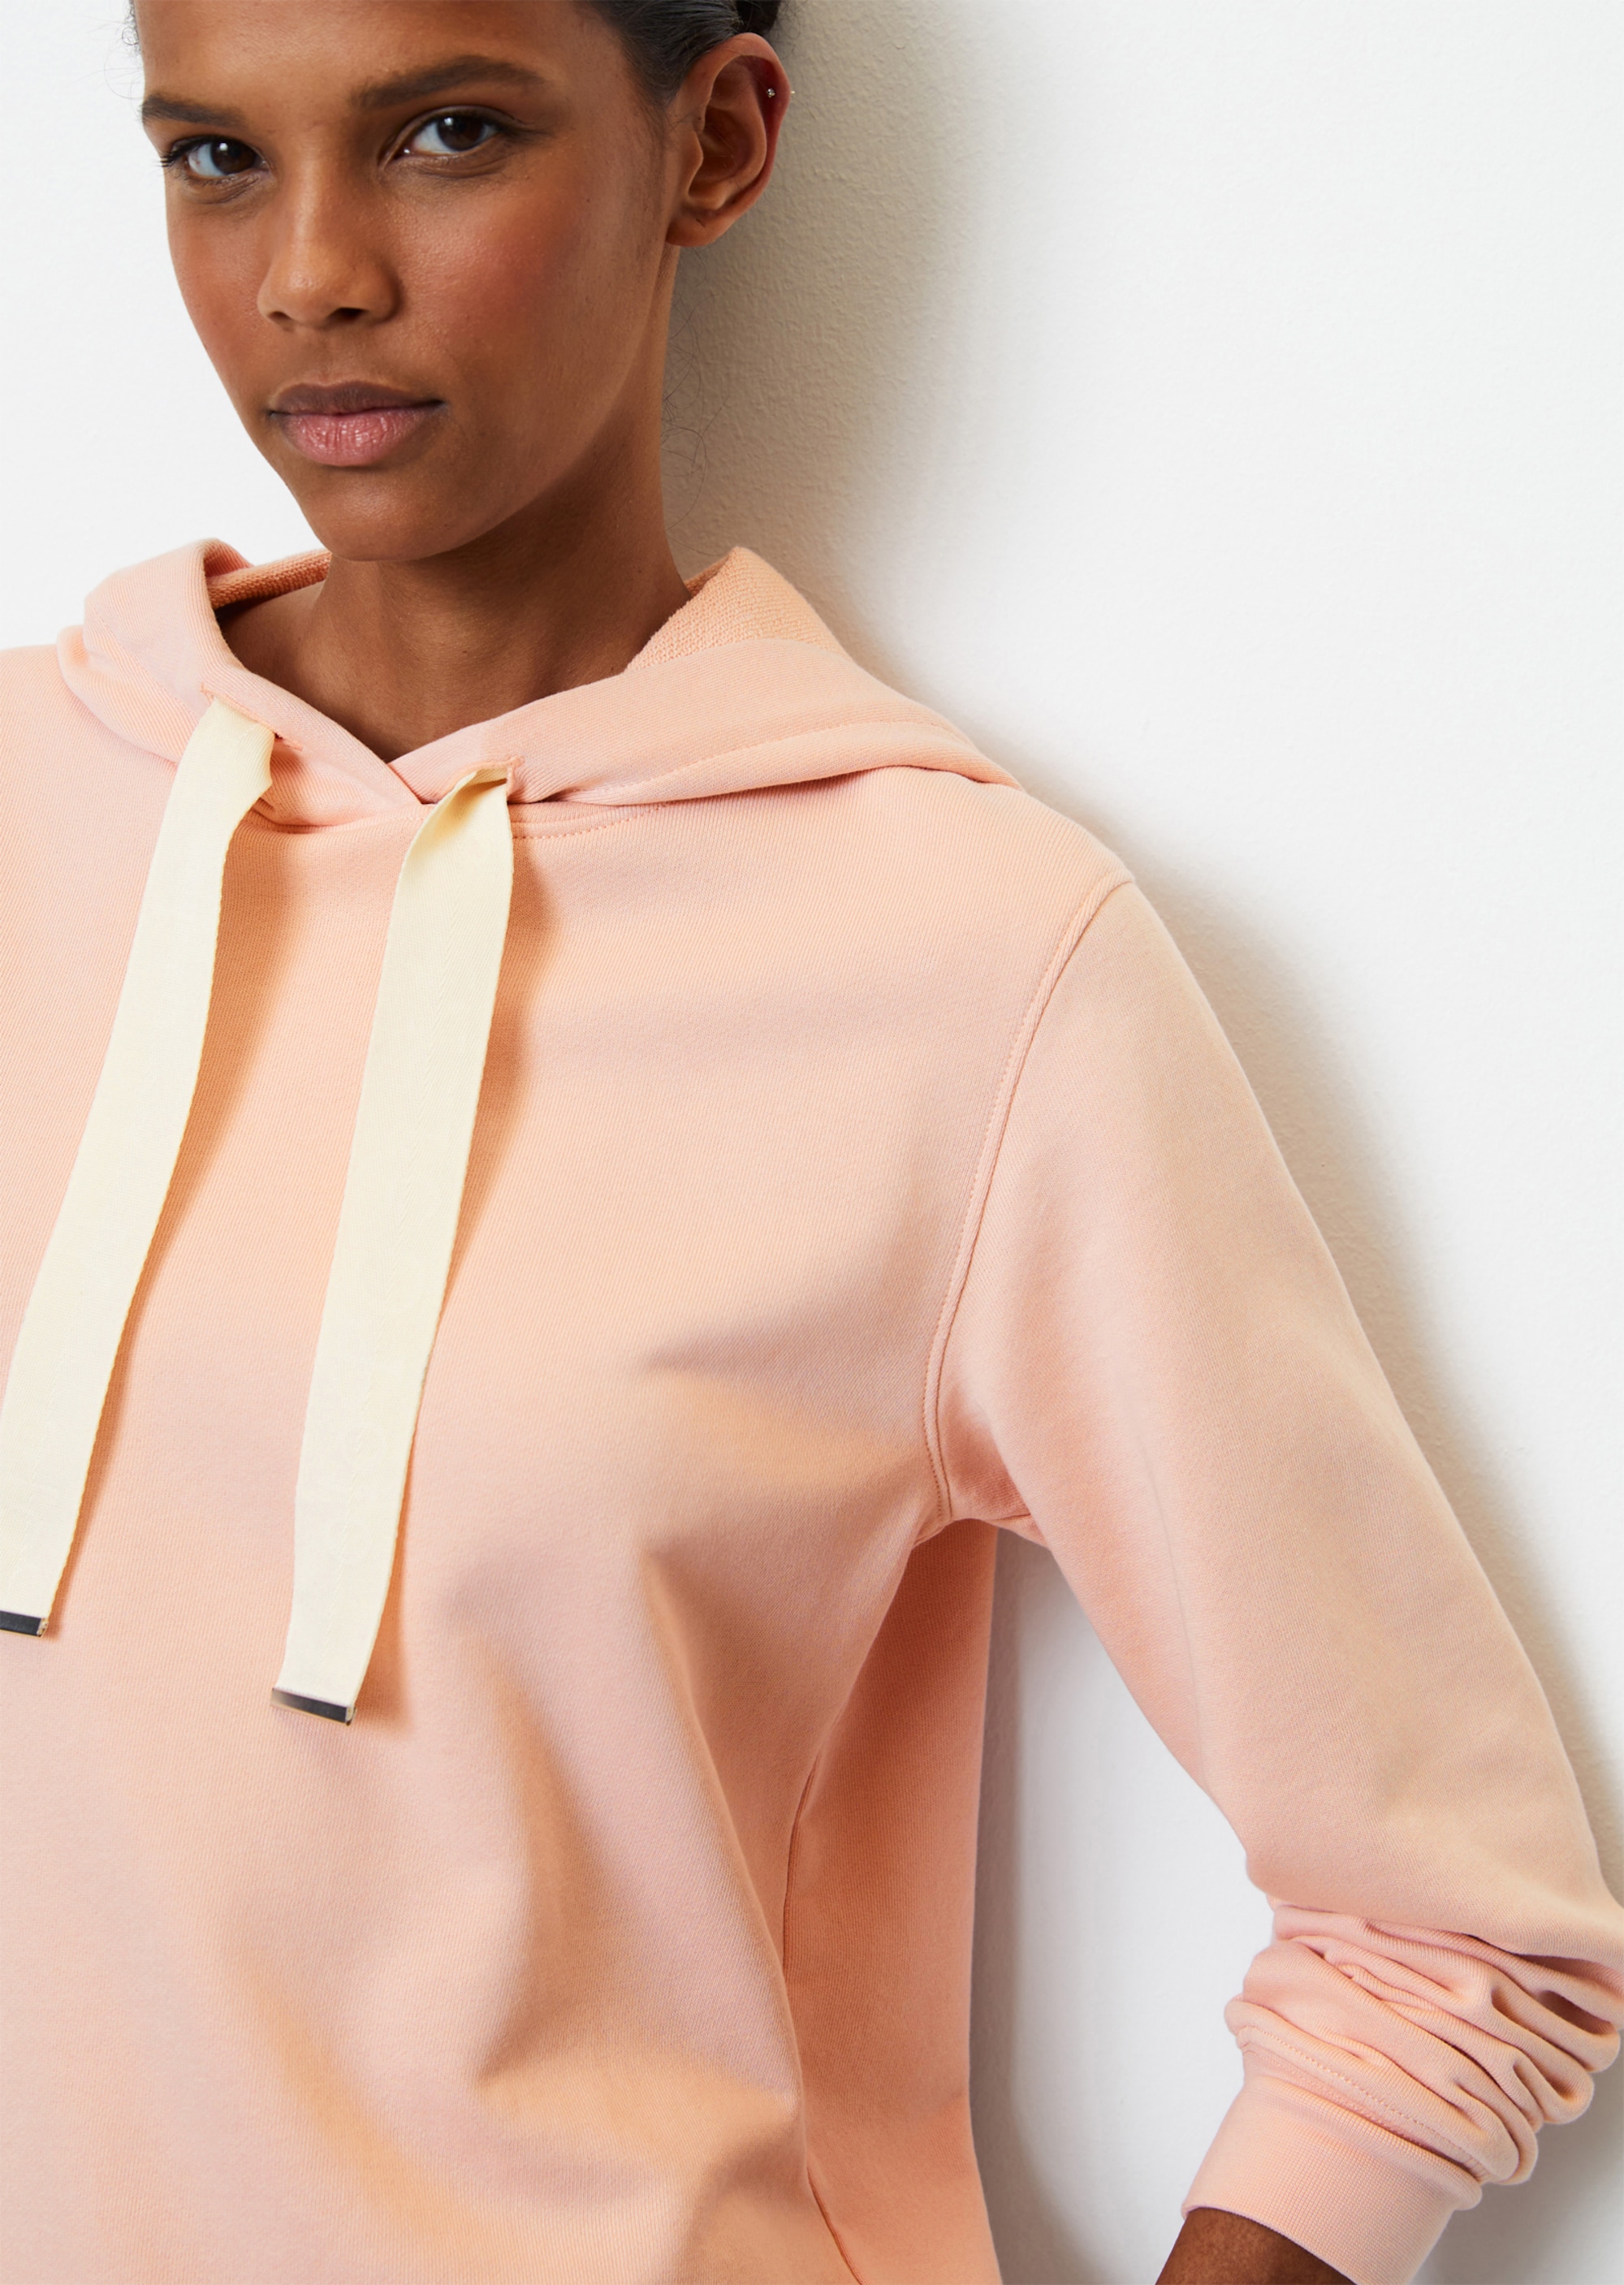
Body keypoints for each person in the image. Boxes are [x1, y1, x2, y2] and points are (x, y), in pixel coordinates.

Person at [0, 5, 1618, 2282]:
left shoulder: (969, 959)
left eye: (446, 133)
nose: (311, 275)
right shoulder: (34, 802)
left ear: (717, 143)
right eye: (215, 157)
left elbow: (1456, 1920)